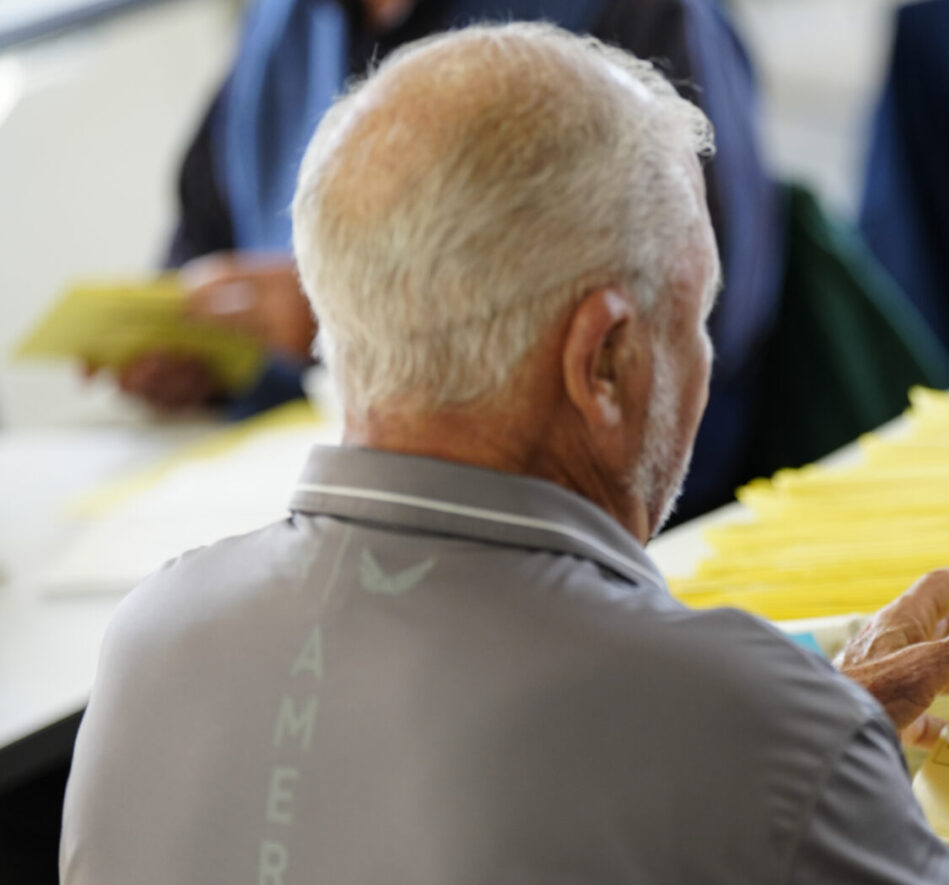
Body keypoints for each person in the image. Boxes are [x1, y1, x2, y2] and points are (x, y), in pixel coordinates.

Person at [60, 25, 949, 885]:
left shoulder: (152, 643)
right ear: (607, 359)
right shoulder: (714, 722)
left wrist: (801, 750)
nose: (707, 358)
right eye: (698, 316)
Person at [109, 0, 780, 519]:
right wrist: (193, 344)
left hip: (581, 521)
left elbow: (706, 310)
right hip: (299, 507)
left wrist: (337, 317)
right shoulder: (276, 29)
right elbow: (198, 243)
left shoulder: (628, 13)